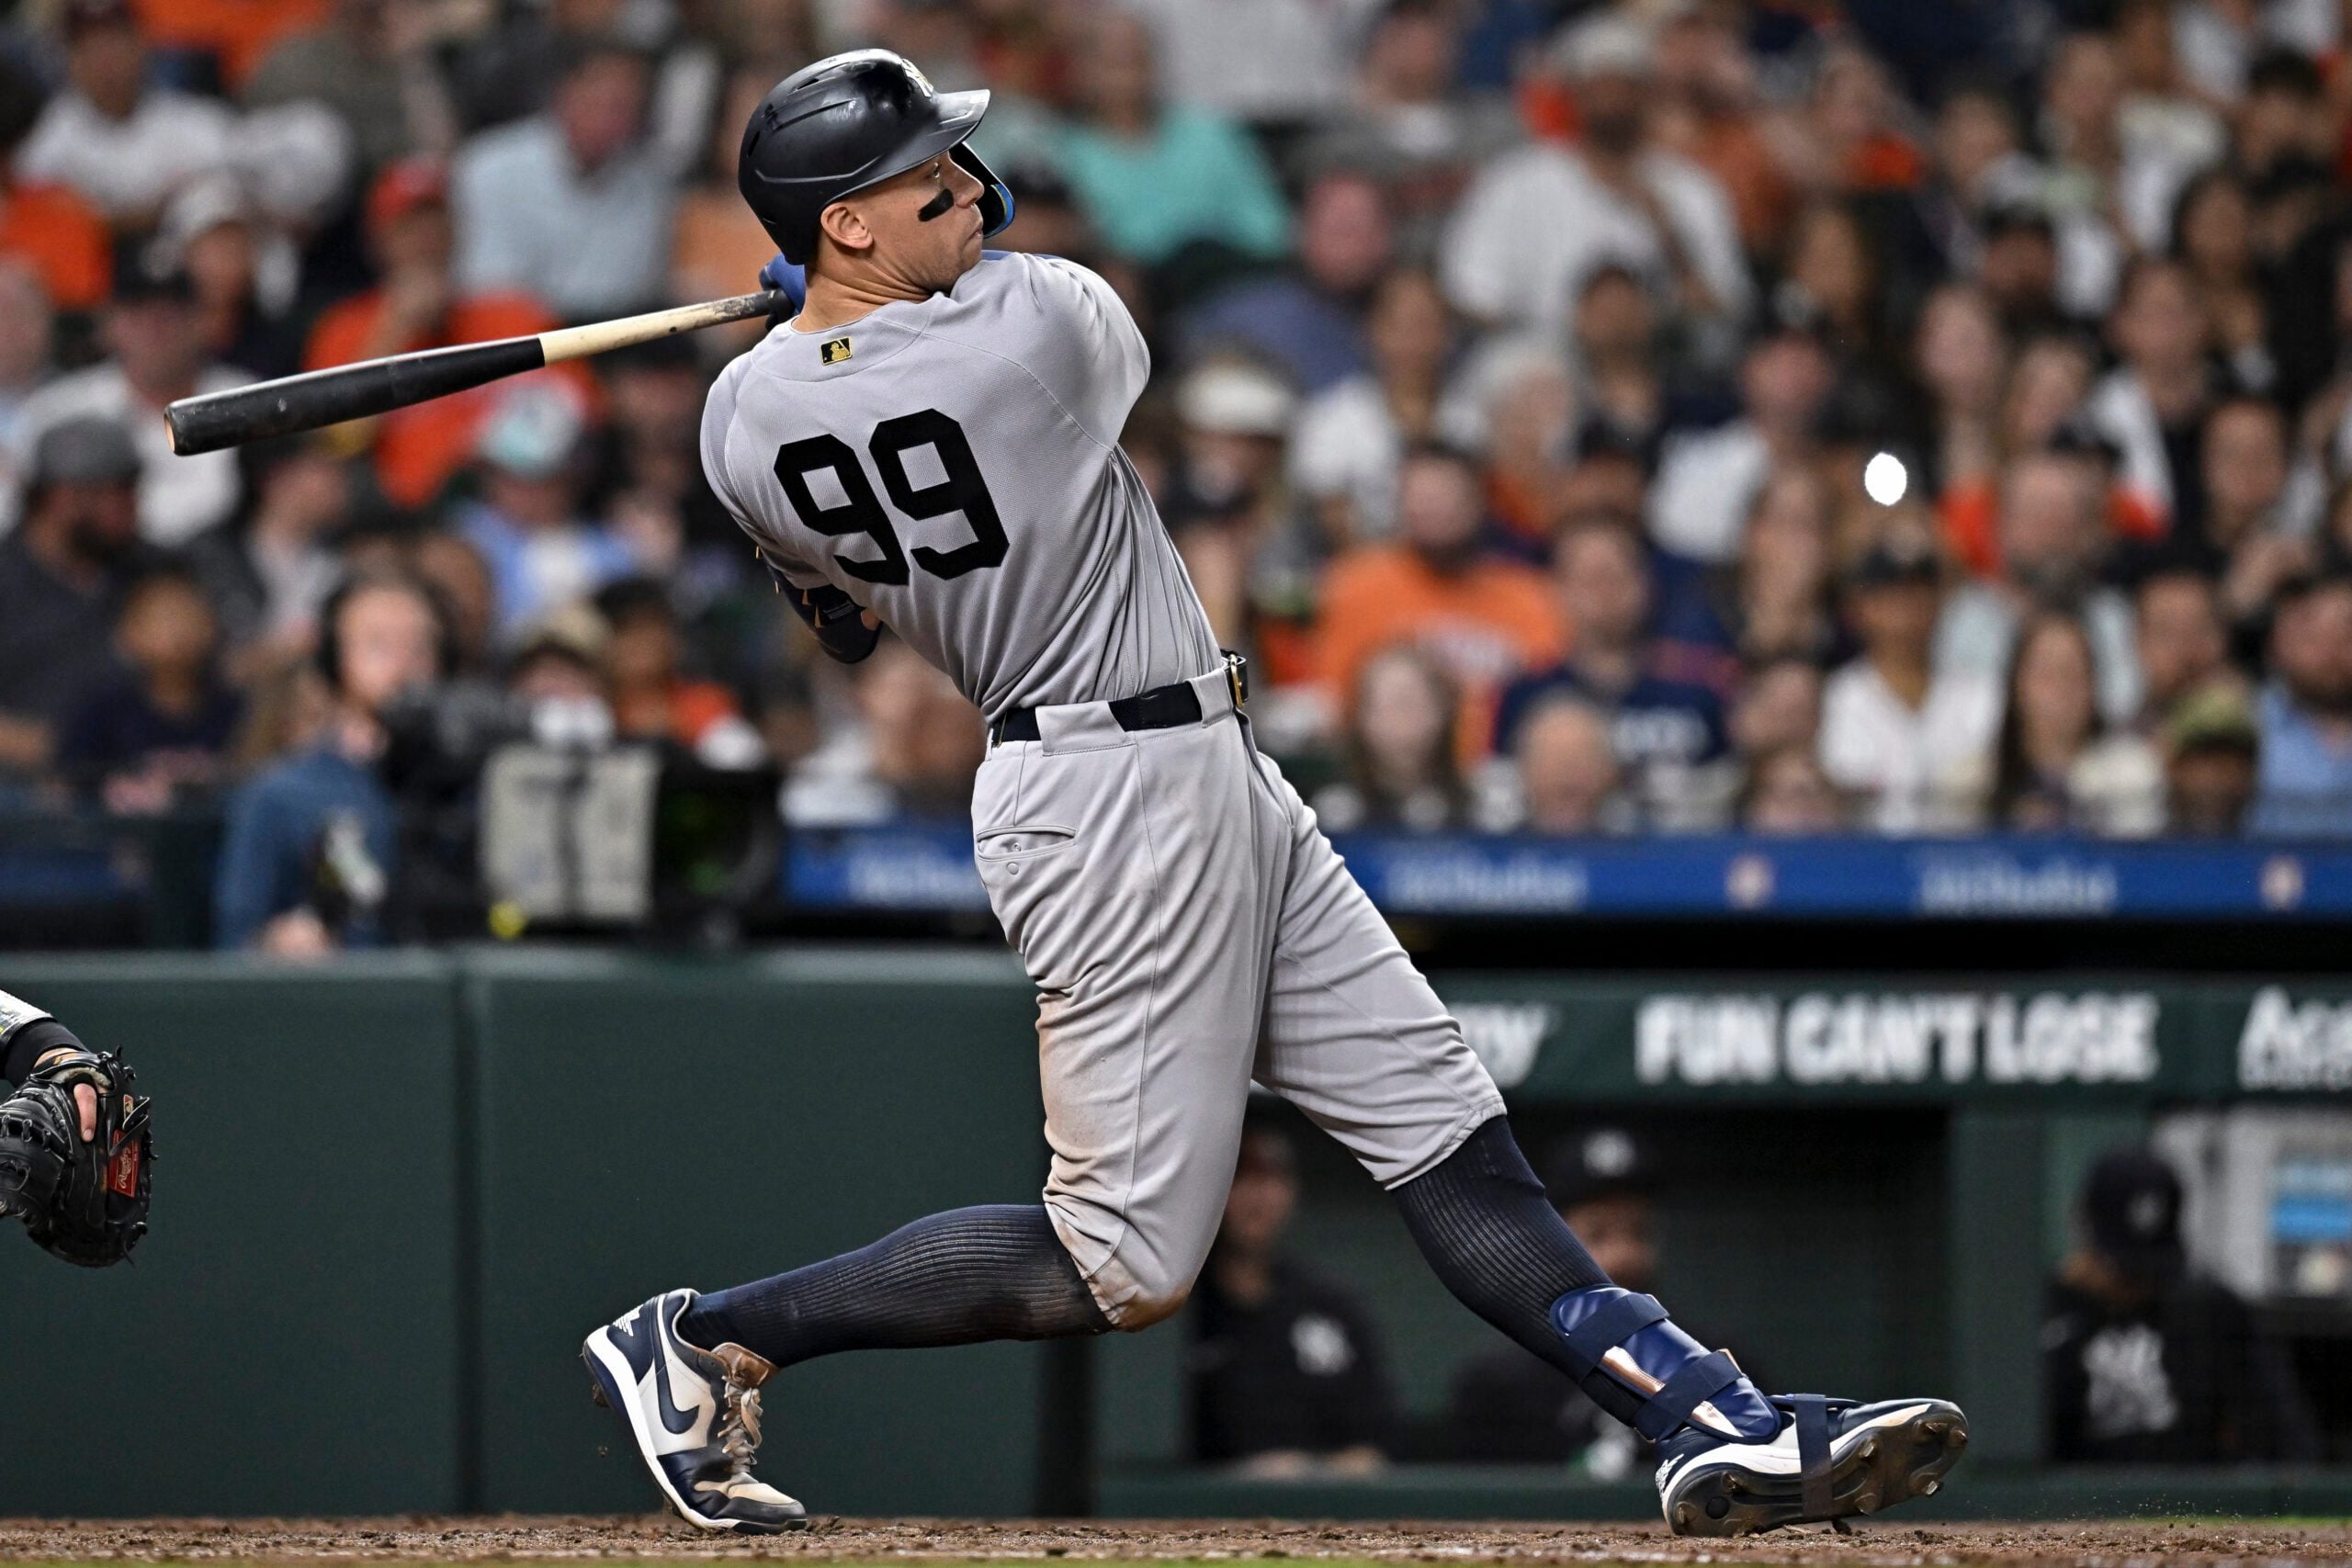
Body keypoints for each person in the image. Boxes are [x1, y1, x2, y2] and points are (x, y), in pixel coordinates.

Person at [580, 49, 1966, 1540]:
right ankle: (710, 1332)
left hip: (1194, 767)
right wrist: (869, 333)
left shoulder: (740, 427)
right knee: (1121, 1260)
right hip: (1108, 798)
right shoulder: (1043, 329)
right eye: (928, 171)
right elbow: (1000, 308)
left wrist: (821, 347)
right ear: (841, 224)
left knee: (1440, 1128)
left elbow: (847, 620)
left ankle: (1709, 1418)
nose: (973, 185)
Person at [211, 571, 445, 953]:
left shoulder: (474, 786)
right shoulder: (281, 794)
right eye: (379, 644)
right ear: (334, 660)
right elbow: (233, 944)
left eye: (421, 647)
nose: (405, 665)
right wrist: (277, 944)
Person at [2045, 1145, 2320, 1463]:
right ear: (2080, 1225)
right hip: (2071, 1510)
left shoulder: (2207, 1312)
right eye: (2121, 1269)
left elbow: (2290, 1448)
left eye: (2145, 1271)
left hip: (2189, 1509)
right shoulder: (2043, 1318)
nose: (2135, 1285)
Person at [1445, 1126, 1668, 1471]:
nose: (1624, 1256)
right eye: (1598, 1234)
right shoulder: (1497, 1386)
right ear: (1552, 1242)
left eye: (1639, 1231)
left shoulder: (1714, 1365)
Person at [1313, 443, 1566, 729]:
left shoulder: (1531, 595)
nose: (1436, 511)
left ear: (1479, 503)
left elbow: (1553, 704)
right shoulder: (1353, 586)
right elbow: (1334, 705)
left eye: (1448, 496)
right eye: (1422, 497)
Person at [1190, 1122, 1394, 1473]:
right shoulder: (1180, 1309)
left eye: (1272, 1177)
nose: (1258, 1196)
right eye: (1242, 1177)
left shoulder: (1331, 1304)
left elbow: (1380, 1438)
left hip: (1330, 1516)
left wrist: (1317, 1471)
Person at [450, 38, 677, 319]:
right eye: (599, 100)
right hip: (516, 333)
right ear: (564, 93)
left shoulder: (651, 184)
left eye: (623, 106)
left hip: (612, 339)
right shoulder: (489, 165)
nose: (608, 118)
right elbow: (489, 287)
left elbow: (636, 290)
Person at [1817, 532, 2000, 832]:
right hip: (1864, 867)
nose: (1906, 608)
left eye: (1918, 592)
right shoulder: (1834, 698)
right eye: (1890, 594)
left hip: (1963, 869)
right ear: (1861, 606)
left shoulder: (1983, 695)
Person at [0, 418, 147, 784]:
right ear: (65, 498)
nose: (134, 505)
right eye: (122, 491)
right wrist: (62, 746)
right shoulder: (6, 577)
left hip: (139, 782)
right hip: (22, 795)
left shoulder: (148, 568)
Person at [55, 569, 243, 811]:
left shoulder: (238, 710)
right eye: (164, 617)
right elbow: (66, 788)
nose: (179, 630)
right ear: (128, 632)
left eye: (190, 615)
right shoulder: (101, 709)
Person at [2249, 569, 2352, 837]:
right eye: (2311, 634)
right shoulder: (2244, 722)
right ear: (2276, 643)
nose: (2331, 650)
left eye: (2347, 632)